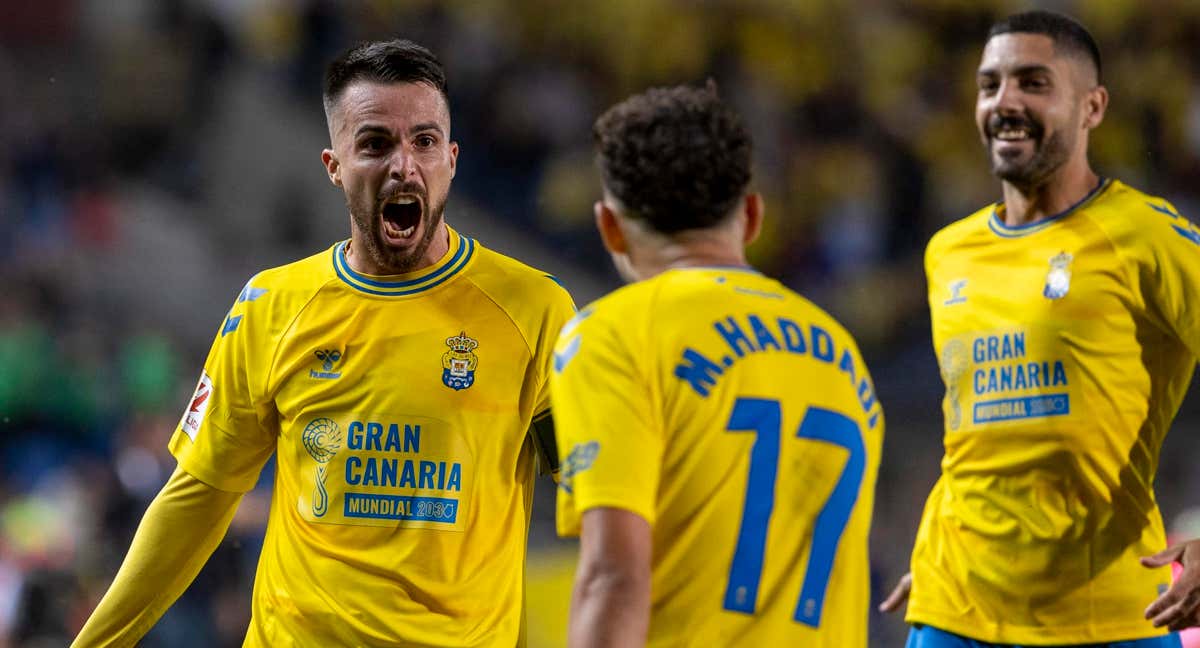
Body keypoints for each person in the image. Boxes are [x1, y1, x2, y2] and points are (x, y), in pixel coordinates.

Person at [72, 39, 574, 647]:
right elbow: (197, 497)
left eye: (424, 140)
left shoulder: (533, 309)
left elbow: (599, 496)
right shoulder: (272, 306)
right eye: (375, 143)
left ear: (452, 159)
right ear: (334, 165)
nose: (404, 164)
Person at [879, 10, 1200, 647]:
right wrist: (951, 570)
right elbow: (979, 429)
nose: (1006, 102)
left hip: (1105, 610)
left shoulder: (1146, 236)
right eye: (989, 84)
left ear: (1093, 107)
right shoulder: (949, 251)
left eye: (1033, 82)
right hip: (955, 604)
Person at [552, 83, 885, 648]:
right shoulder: (840, 350)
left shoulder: (613, 334)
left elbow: (614, 575)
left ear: (609, 226)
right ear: (753, 215)